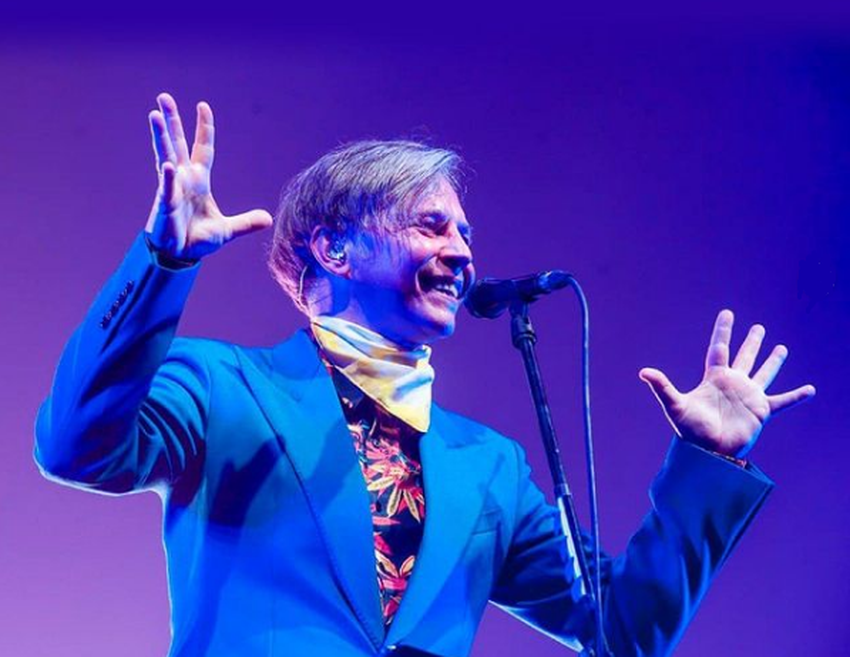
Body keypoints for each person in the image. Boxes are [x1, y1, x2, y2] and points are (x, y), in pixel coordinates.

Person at [35, 93, 815, 657]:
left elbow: (621, 632)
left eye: (465, 233)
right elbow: (74, 448)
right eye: (431, 226)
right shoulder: (224, 388)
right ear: (335, 250)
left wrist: (706, 462)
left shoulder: (489, 467)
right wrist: (163, 263)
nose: (463, 252)